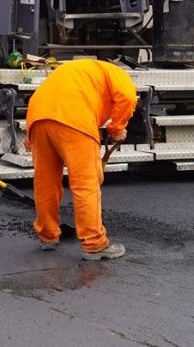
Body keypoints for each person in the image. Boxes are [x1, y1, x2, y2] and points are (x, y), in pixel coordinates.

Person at [26, 59, 137, 260]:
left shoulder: (78, 70)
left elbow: (47, 96)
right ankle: (94, 243)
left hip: (38, 117)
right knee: (86, 184)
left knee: (46, 182)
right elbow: (128, 98)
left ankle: (48, 236)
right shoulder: (118, 73)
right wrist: (117, 128)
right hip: (75, 119)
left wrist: (30, 136)